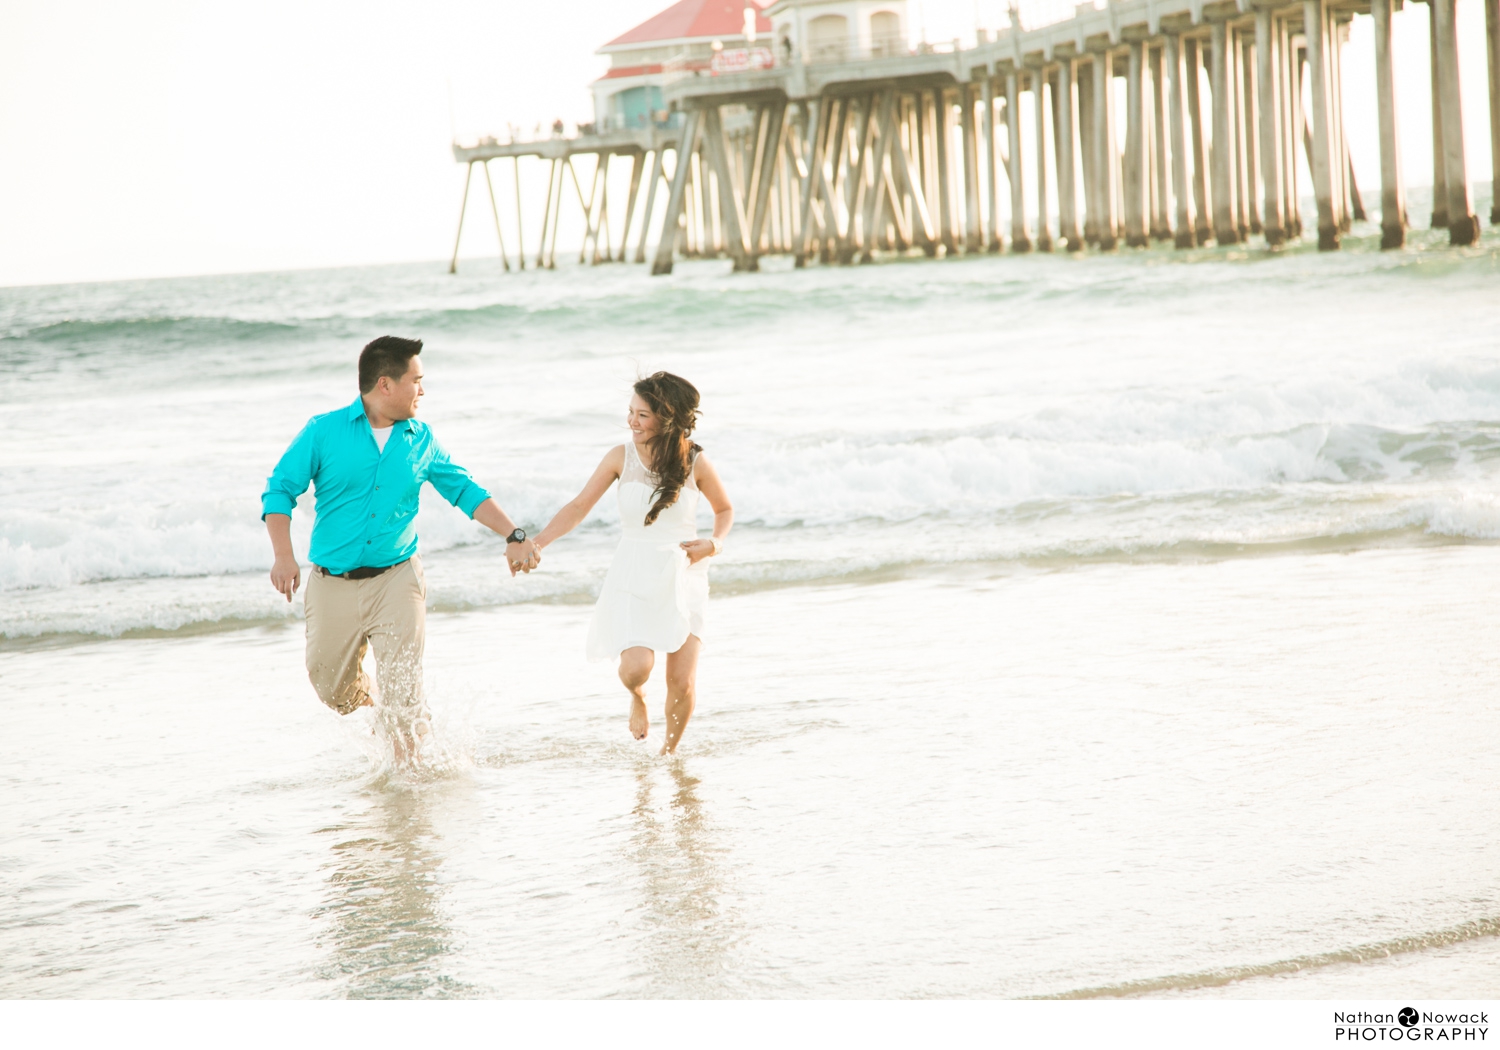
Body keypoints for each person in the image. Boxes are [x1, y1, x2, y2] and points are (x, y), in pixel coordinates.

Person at [262, 336, 541, 764]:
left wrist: (514, 535)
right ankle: (380, 707)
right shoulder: (324, 431)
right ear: (385, 385)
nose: (423, 391)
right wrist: (283, 555)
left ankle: (407, 779)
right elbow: (280, 490)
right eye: (417, 381)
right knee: (330, 689)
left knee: (404, 689)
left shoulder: (421, 438)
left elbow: (465, 491)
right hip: (332, 582)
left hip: (398, 579)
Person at [534, 372, 733, 756]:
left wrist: (714, 544)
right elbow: (578, 507)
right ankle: (637, 696)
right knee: (635, 668)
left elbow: (724, 509)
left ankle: (668, 756)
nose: (632, 422)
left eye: (642, 415)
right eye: (630, 412)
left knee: (682, 682)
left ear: (667, 417)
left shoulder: (694, 460)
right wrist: (538, 542)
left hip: (684, 572)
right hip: (634, 570)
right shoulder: (619, 457)